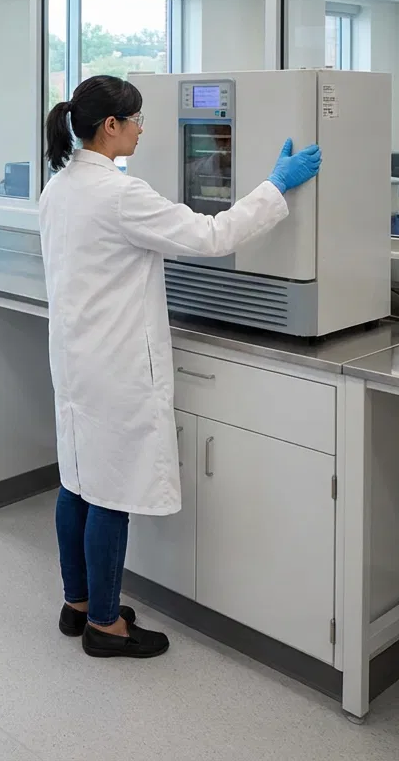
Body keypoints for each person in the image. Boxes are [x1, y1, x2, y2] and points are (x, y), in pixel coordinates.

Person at [39, 76, 321, 659]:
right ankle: (106, 627)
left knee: (78, 482)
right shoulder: (120, 194)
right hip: (115, 367)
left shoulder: (59, 187)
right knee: (110, 493)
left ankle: (78, 605)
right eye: (136, 119)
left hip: (75, 361)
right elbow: (211, 235)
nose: (143, 129)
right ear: (111, 126)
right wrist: (275, 186)